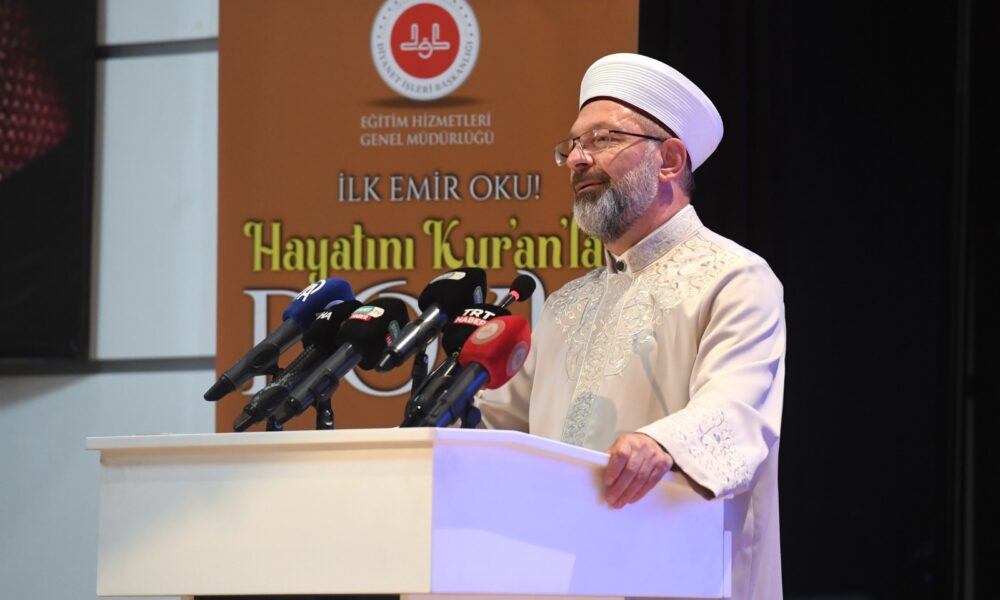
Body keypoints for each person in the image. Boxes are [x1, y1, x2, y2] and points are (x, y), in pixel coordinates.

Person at [476, 53, 786, 599]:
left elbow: (737, 409)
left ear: (669, 159)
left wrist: (658, 442)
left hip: (681, 572)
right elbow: (501, 426)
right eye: (573, 145)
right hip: (558, 576)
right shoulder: (567, 305)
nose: (578, 158)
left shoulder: (736, 277)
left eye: (602, 139)